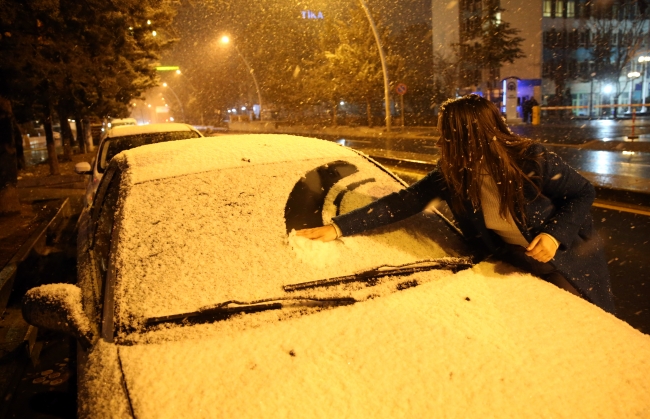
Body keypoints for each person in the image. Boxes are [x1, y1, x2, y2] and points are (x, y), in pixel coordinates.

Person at [297, 94, 615, 313]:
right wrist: (339, 227)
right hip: (512, 264)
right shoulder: (452, 175)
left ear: (468, 137)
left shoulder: (531, 160)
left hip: (567, 260)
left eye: (446, 134)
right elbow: (400, 203)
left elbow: (582, 192)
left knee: (586, 328)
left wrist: (553, 235)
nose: (439, 141)